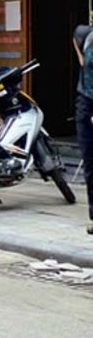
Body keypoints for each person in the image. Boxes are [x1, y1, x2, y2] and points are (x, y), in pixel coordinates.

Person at [74, 24, 93, 235]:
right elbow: (75, 35)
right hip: (86, 101)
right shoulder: (85, 34)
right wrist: (82, 58)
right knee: (90, 160)